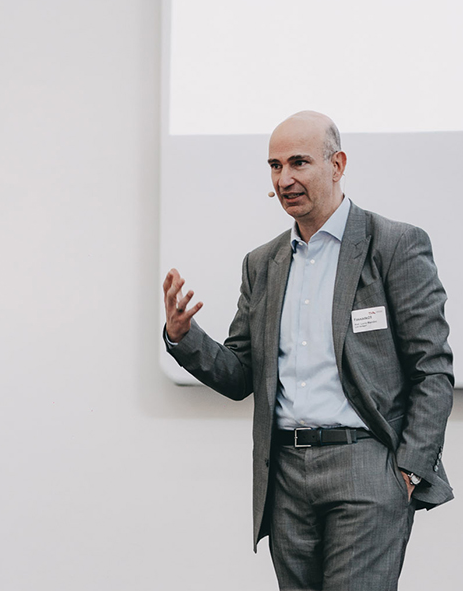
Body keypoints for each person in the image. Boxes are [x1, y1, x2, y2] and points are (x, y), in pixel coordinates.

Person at [162, 111, 453, 591]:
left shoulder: (394, 245)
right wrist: (183, 336)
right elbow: (240, 375)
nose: (284, 180)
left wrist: (407, 471)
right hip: (286, 477)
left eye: (298, 162)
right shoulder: (262, 263)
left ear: (337, 165)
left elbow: (432, 369)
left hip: (367, 466)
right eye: (275, 166)